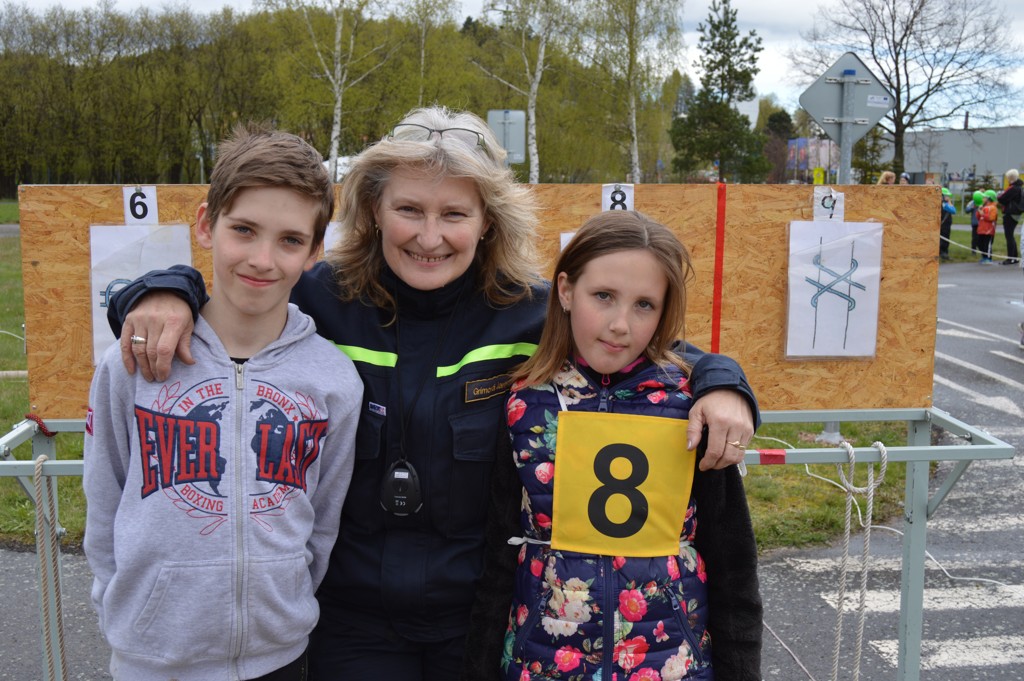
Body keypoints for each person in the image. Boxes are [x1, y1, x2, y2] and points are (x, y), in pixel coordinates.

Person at [105, 106, 759, 681]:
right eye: (409, 210)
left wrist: (722, 382)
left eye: (454, 214)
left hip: (473, 620)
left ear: (487, 221)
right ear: (373, 209)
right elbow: (241, 287)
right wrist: (164, 290)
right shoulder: (322, 299)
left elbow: (639, 344)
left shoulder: (530, 316)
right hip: (351, 622)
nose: (428, 236)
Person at [82, 123, 363, 681]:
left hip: (278, 653)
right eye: (244, 230)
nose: (262, 259)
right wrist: (124, 610)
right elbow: (104, 499)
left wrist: (286, 608)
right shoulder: (135, 360)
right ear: (207, 224)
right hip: (152, 656)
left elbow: (324, 520)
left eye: (289, 240)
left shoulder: (334, 380)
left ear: (315, 252)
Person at [478, 211, 761, 681]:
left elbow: (733, 563)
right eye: (603, 296)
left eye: (644, 304)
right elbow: (496, 556)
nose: (619, 325)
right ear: (565, 290)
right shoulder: (525, 403)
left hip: (671, 663)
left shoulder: (693, 408)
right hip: (543, 663)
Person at [997, 168, 1023, 265]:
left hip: (1010, 213)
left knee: (1009, 236)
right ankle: (1014, 257)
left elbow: (1001, 198)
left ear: (1010, 178)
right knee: (1011, 235)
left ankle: (1011, 258)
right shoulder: (1020, 187)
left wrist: (998, 196)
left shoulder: (1013, 188)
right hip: (1017, 213)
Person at [977, 190, 999, 264]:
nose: (983, 199)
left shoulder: (993, 208)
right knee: (980, 244)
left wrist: (983, 214)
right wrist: (979, 211)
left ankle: (988, 258)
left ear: (989, 198)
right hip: (981, 229)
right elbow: (978, 217)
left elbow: (991, 218)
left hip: (989, 230)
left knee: (987, 245)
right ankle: (984, 257)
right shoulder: (984, 207)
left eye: (984, 197)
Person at [940, 187, 956, 260]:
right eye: (947, 196)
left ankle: (944, 252)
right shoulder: (944, 204)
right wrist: (950, 203)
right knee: (944, 239)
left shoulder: (944, 204)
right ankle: (943, 253)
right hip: (944, 225)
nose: (948, 197)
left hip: (946, 224)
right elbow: (953, 210)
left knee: (945, 239)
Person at [965, 190, 984, 254]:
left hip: (982, 223)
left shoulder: (983, 202)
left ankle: (982, 250)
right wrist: (972, 207)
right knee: (974, 237)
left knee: (981, 237)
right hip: (975, 223)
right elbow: (967, 210)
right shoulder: (972, 203)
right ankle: (973, 250)